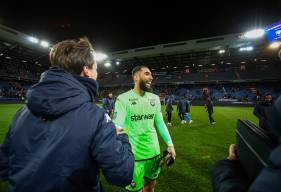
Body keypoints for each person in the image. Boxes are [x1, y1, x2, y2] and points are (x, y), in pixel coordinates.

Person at [0, 37, 134, 192]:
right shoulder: (95, 117)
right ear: (86, 70)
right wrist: (121, 137)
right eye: (96, 69)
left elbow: (4, 166)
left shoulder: (21, 113)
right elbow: (122, 174)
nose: (97, 74)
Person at [113, 65, 176, 192]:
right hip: (133, 156)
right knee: (136, 190)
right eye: (147, 74)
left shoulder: (155, 98)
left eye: (151, 75)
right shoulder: (123, 99)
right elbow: (117, 126)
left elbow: (160, 123)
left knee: (150, 186)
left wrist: (170, 144)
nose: (151, 77)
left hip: (153, 153)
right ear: (136, 77)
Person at [212, 95, 281, 192]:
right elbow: (256, 112)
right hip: (264, 125)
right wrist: (263, 119)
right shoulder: (261, 104)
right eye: (268, 97)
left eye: (270, 97)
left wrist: (227, 165)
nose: (269, 98)